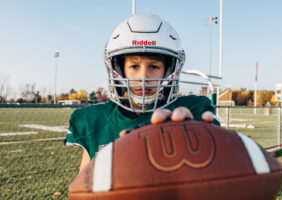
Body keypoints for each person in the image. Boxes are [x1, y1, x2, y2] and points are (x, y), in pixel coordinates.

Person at [65, 14, 220, 172]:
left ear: (169, 71)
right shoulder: (94, 119)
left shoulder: (193, 111)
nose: (143, 77)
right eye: (134, 66)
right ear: (119, 69)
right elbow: (81, 185)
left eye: (154, 66)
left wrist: (198, 135)